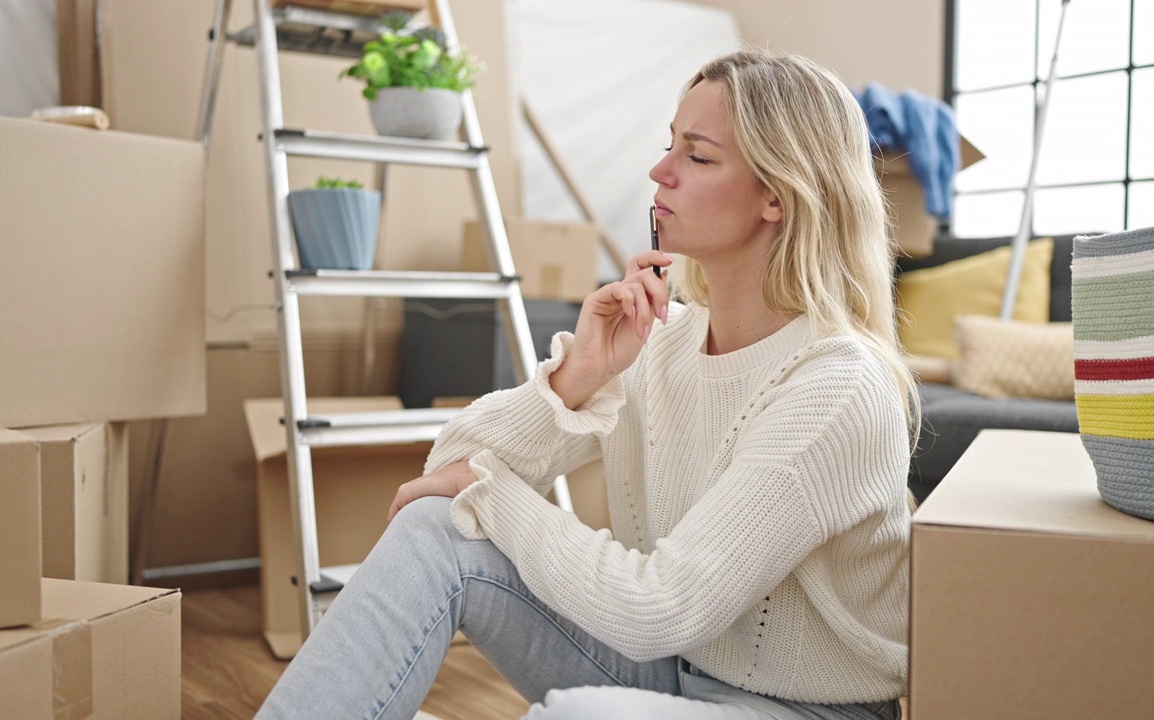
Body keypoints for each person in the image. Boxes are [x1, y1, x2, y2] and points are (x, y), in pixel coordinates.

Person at [256, 47, 919, 720]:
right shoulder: (660, 342)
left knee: (578, 715)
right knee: (437, 528)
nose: (660, 171)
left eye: (697, 156)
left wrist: (496, 495)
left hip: (804, 709)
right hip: (672, 672)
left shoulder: (836, 386)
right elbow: (447, 469)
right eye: (669, 147)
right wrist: (583, 375)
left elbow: (663, 606)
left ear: (777, 194)